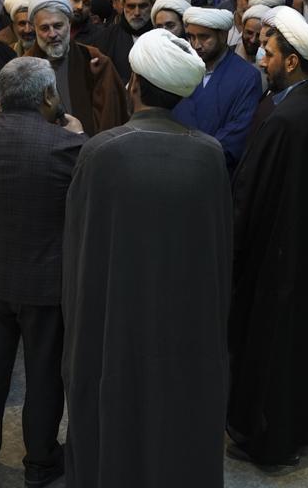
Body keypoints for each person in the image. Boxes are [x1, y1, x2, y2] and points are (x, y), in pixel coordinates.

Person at [63, 29, 232, 488]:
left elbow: (80, 253)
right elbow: (219, 251)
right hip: (188, 327)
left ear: (133, 84)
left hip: (115, 324)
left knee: (117, 420)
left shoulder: (101, 152)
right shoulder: (209, 154)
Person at [0, 57, 85, 485]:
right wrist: (81, 136)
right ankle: (40, 463)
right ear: (47, 95)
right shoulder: (67, 145)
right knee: (44, 375)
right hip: (44, 282)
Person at [228, 6, 308, 468]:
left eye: (269, 53)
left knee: (271, 353)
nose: (261, 60)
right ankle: (293, 433)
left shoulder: (285, 119)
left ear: (292, 61)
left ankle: (269, 444)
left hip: (277, 260)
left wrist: (232, 248)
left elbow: (250, 196)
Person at [25, 0, 128, 136]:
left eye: (58, 26)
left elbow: (111, 116)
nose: (52, 34)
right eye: (44, 28)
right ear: (34, 28)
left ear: (69, 23)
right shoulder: (23, 66)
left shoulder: (94, 59)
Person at [173, 7, 262, 171]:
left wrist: (195, 155)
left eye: (204, 37)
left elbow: (238, 132)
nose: (196, 45)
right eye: (191, 37)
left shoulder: (247, 76)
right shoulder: (182, 69)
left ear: (223, 36)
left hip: (217, 170)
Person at [98, 0, 156, 84]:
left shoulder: (159, 36)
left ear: (152, 7)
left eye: (143, 6)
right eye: (131, 6)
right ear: (123, 7)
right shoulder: (108, 36)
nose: (137, 12)